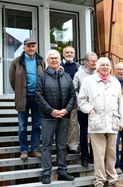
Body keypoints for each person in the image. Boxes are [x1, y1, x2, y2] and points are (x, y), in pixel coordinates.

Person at [78, 57, 123, 187]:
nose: (105, 67)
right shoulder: (88, 81)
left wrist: (122, 120)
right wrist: (90, 110)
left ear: (110, 68)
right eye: (102, 65)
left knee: (112, 154)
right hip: (96, 123)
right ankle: (100, 180)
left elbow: (120, 102)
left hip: (112, 122)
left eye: (108, 65)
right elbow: (81, 100)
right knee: (99, 155)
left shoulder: (115, 82)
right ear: (97, 67)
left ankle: (112, 180)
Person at [35, 49, 76, 184]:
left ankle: (62, 171)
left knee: (62, 145)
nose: (54, 60)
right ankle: (46, 172)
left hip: (64, 117)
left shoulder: (67, 76)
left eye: (56, 58)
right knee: (46, 145)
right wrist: (51, 111)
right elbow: (38, 96)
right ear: (47, 61)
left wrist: (66, 110)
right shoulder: (42, 76)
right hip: (48, 117)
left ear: (60, 60)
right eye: (51, 58)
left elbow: (72, 96)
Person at [9, 38, 45, 160]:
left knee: (37, 125)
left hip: (37, 98)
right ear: (24, 47)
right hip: (23, 98)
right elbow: (12, 80)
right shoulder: (16, 62)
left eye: (33, 46)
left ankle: (34, 149)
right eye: (28, 46)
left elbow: (43, 79)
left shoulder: (41, 62)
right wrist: (20, 92)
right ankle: (24, 150)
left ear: (36, 47)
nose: (31, 48)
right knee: (22, 126)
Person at [73, 52, 97, 167]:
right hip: (82, 109)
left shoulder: (98, 73)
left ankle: (94, 156)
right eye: (92, 61)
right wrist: (83, 102)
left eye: (95, 61)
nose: (94, 63)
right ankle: (84, 157)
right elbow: (74, 90)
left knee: (95, 132)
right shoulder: (79, 74)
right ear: (86, 62)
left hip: (96, 109)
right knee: (84, 132)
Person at [61, 46, 80, 154]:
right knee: (62, 122)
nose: (69, 54)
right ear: (63, 54)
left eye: (71, 52)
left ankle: (73, 145)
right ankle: (62, 144)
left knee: (73, 123)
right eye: (67, 52)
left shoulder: (78, 67)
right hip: (60, 98)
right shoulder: (59, 66)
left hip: (73, 99)